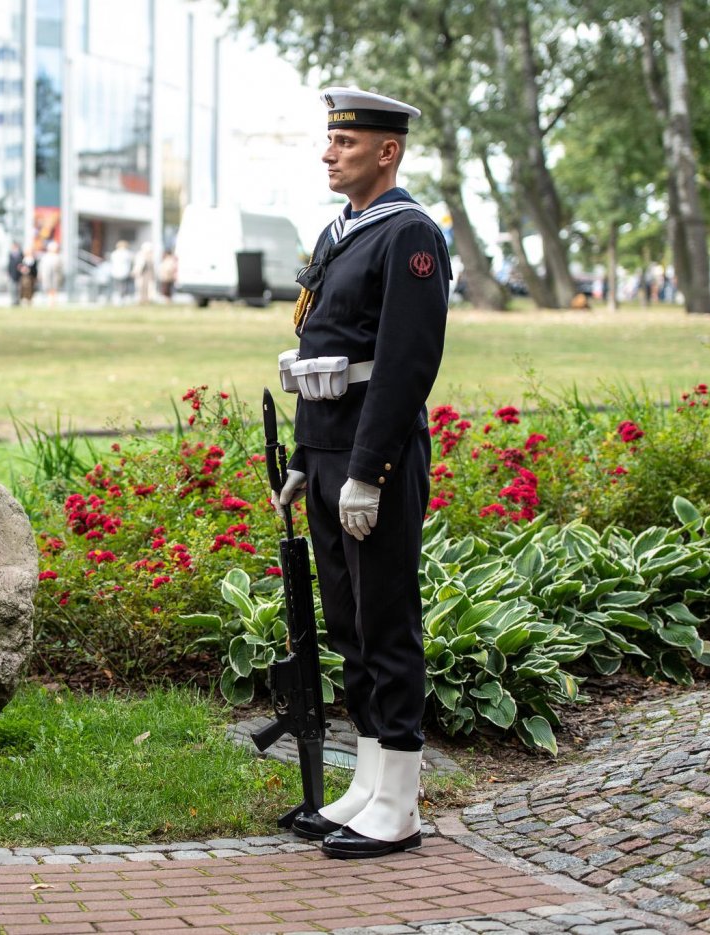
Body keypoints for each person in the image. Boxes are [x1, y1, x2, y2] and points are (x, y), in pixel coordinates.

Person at [275, 87, 451, 860]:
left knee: (386, 617)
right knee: (348, 621)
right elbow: (324, 356)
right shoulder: (338, 232)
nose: (328, 152)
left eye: (345, 142)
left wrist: (368, 471)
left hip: (371, 455)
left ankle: (403, 804)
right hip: (327, 453)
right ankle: (370, 783)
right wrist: (304, 464)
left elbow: (406, 364)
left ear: (388, 151)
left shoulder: (409, 235)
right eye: (328, 140)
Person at [38, 241, 63, 307]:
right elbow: (41, 267)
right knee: (48, 289)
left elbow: (60, 268)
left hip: (55, 276)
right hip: (47, 276)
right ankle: (50, 302)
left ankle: (53, 302)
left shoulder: (57, 257)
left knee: (54, 289)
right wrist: (40, 275)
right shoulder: (45, 257)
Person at [108, 239, 134, 304]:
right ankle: (123, 298)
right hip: (124, 272)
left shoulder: (114, 253)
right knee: (124, 286)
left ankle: (118, 298)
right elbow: (132, 261)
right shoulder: (127, 253)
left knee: (117, 286)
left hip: (116, 272)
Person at [7, 240, 24, 306]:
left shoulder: (20, 254)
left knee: (18, 288)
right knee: (12, 288)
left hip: (19, 274)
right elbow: (9, 264)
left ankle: (17, 301)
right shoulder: (10, 254)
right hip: (12, 273)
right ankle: (13, 301)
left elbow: (22, 264)